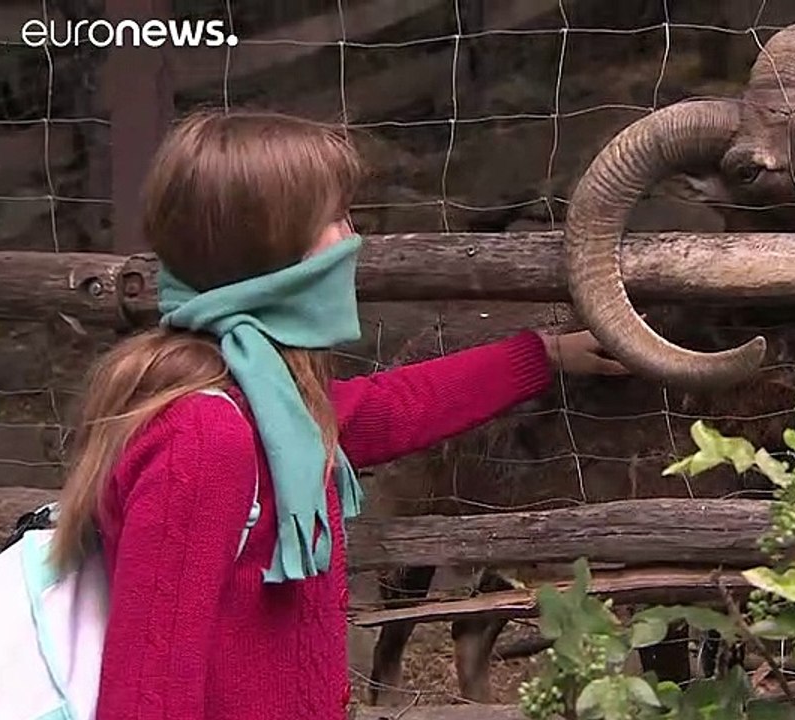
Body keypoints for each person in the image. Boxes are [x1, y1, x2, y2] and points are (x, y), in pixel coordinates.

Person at [47, 108, 628, 720]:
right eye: (333, 220)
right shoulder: (204, 436)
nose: (352, 239)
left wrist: (542, 355)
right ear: (270, 250)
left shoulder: (262, 394)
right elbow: (148, 693)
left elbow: (384, 409)